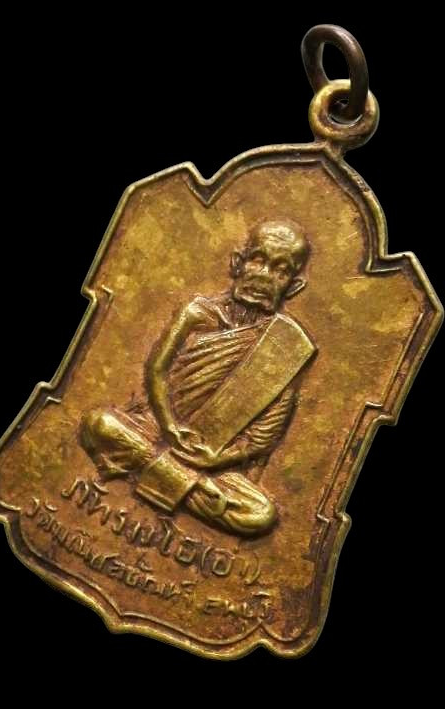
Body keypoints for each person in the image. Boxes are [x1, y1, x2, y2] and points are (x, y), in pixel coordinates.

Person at [79, 217, 316, 536]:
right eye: (258, 260)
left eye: (281, 271)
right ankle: (185, 485)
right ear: (237, 262)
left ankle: (158, 474)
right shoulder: (197, 312)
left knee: (261, 515)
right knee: (98, 424)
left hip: (213, 460)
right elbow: (156, 370)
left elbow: (265, 435)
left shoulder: (289, 346)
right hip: (157, 430)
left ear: (294, 285)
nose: (264, 276)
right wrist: (170, 427)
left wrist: (215, 461)